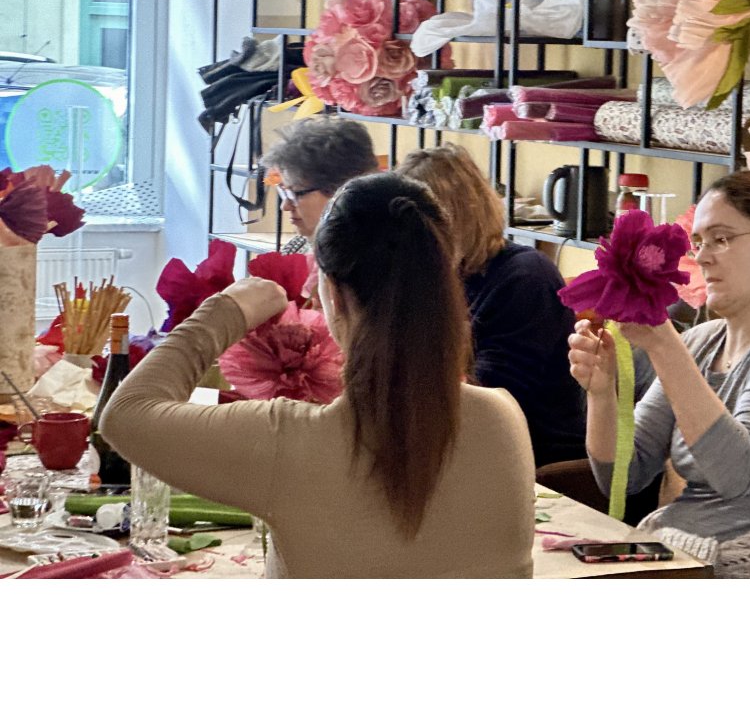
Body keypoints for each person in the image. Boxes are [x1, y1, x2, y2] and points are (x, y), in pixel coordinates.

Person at [99, 173, 536, 578]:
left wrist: (226, 311)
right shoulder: (502, 417)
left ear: (332, 292)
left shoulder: (289, 444)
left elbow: (125, 414)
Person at [567, 170, 750, 578]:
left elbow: (737, 473)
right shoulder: (701, 341)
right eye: (699, 242)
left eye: (721, 239)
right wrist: (601, 392)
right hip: (689, 559)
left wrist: (665, 347)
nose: (702, 257)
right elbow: (624, 475)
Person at [395, 144, 587, 468]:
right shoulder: (436, 276)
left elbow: (491, 403)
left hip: (532, 459)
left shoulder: (526, 277)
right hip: (465, 449)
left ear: (457, 217)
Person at [260, 113, 379, 252]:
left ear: (339, 190)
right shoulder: (302, 244)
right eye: (284, 192)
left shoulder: (375, 254)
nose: (285, 206)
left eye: (295, 194)